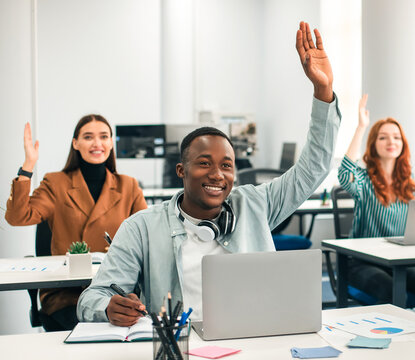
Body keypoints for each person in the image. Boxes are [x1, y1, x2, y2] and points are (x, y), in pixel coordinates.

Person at [76, 21, 340, 326]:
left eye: (226, 165)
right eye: (204, 163)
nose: (217, 174)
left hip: (256, 339)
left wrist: (323, 91)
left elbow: (314, 168)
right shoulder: (142, 228)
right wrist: (108, 307)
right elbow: (91, 298)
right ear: (181, 171)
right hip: (183, 345)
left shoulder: (255, 204)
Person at [5, 115, 147, 331]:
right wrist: (28, 166)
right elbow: (17, 217)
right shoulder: (56, 182)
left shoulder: (128, 186)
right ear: (75, 143)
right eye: (88, 137)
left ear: (111, 142)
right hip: (66, 295)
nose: (97, 143)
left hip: (116, 291)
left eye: (104, 137)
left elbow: (148, 236)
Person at [336, 94, 415, 319]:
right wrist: (361, 127)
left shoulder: (409, 183)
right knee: (392, 293)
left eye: (396, 137)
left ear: (402, 144)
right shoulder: (362, 179)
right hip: (362, 263)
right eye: (383, 137)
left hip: (399, 262)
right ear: (373, 144)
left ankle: (413, 338)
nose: (391, 142)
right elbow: (344, 173)